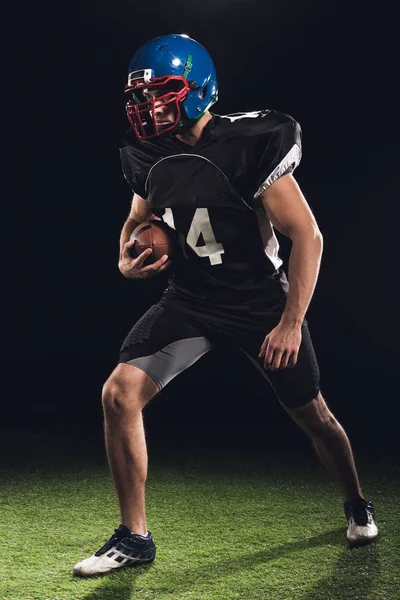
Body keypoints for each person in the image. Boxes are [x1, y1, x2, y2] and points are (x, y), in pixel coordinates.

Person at [73, 33, 378, 577]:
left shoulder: (250, 141)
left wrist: (290, 321)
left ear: (197, 89)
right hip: (191, 298)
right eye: (140, 99)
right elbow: (135, 221)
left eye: (160, 94)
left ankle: (356, 501)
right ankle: (134, 537)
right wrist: (125, 259)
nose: (147, 109)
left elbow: (308, 236)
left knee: (313, 414)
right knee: (119, 395)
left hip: (260, 302)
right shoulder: (148, 153)